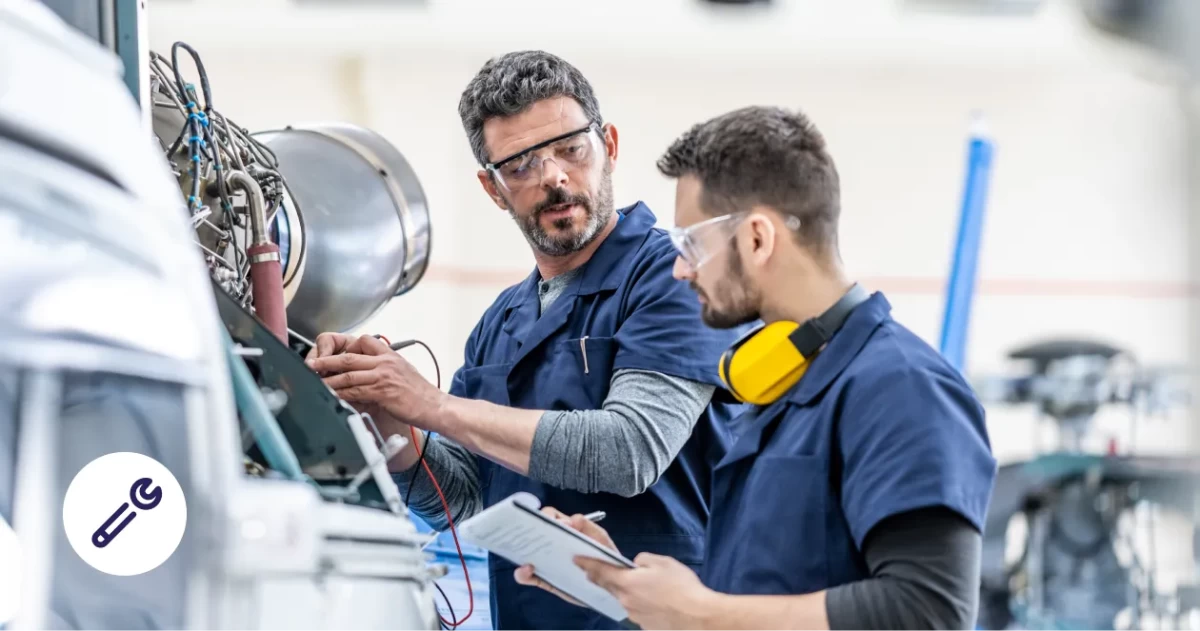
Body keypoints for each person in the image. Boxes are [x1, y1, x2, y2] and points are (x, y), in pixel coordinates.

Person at [305, 51, 751, 630]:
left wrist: (430, 404)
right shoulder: (501, 322)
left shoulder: (675, 276)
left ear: (609, 146)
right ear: (493, 189)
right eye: (519, 165)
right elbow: (465, 499)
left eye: (571, 149)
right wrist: (388, 418)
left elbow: (631, 452)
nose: (553, 177)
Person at [516, 105, 999, 631]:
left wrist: (700, 613)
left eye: (691, 244)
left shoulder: (900, 387)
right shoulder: (783, 392)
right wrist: (624, 586)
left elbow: (928, 612)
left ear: (757, 238)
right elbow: (760, 597)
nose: (681, 269)